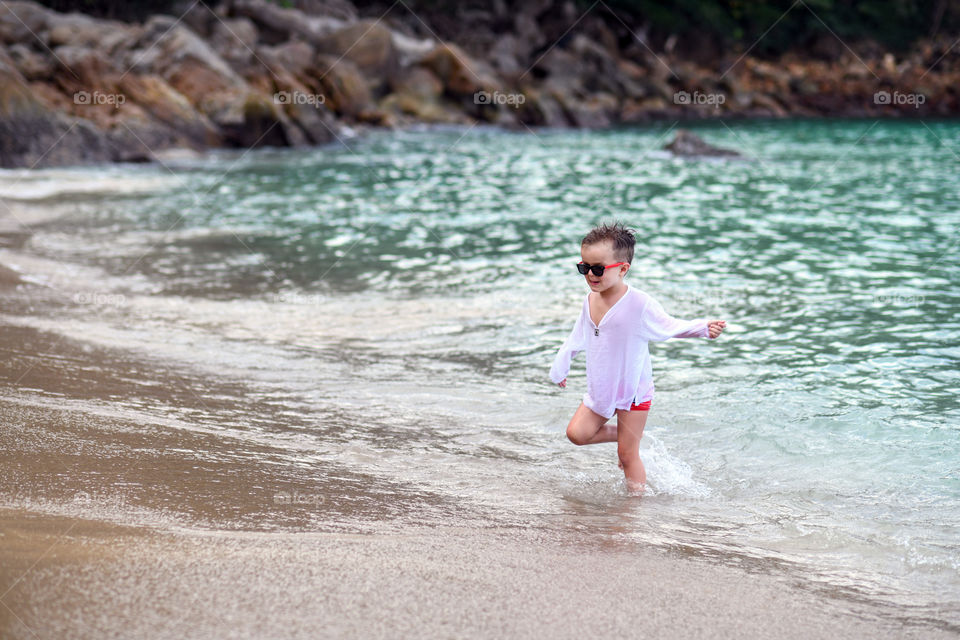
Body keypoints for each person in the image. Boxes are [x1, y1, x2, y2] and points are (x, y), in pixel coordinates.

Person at [549, 221, 726, 494]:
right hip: (603, 388)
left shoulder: (639, 304)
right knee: (577, 434)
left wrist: (703, 328)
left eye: (597, 269)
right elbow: (577, 337)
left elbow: (669, 326)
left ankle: (634, 511)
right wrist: (562, 366)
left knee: (627, 456)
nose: (590, 275)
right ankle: (628, 436)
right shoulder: (589, 301)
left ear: (622, 269)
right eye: (584, 268)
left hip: (634, 391)